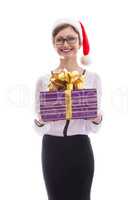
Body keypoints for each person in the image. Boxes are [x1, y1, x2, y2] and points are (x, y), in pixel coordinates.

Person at [34, 18, 103, 200]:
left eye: (71, 39)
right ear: (54, 43)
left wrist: (97, 118)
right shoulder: (44, 80)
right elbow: (38, 127)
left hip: (80, 147)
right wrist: (40, 121)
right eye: (60, 39)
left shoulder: (93, 78)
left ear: (79, 43)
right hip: (52, 148)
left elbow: (93, 128)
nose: (66, 44)